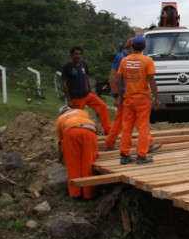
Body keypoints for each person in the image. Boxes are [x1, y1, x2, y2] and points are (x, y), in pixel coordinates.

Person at [103, 38, 159, 152]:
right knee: (140, 124)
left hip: (127, 97)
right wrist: (117, 96)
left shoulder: (126, 59)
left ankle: (116, 147)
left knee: (126, 124)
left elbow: (117, 78)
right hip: (130, 96)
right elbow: (113, 78)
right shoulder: (121, 58)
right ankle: (145, 147)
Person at [117, 35, 161, 164]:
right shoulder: (147, 60)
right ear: (144, 47)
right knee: (143, 128)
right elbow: (151, 80)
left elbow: (117, 79)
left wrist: (120, 96)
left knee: (127, 127)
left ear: (132, 46)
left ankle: (124, 155)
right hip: (142, 98)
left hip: (128, 98)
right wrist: (156, 97)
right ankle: (141, 155)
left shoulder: (124, 61)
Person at [60, 46, 112, 135]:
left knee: (102, 106)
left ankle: (108, 130)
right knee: (78, 117)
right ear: (72, 55)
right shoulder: (66, 66)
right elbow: (64, 82)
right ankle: (83, 133)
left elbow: (87, 77)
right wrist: (68, 99)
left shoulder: (83, 64)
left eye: (80, 54)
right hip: (76, 97)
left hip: (88, 94)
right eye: (76, 54)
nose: (78, 56)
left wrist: (91, 89)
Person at [56, 106, 98, 200]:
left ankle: (75, 194)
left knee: (73, 164)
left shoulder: (61, 119)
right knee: (88, 163)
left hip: (71, 131)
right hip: (89, 131)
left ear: (62, 113)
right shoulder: (82, 112)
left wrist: (59, 159)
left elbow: (60, 142)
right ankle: (89, 194)